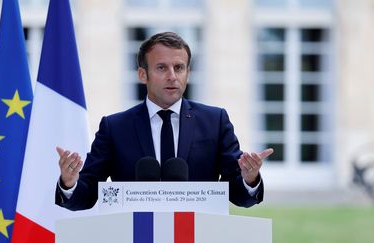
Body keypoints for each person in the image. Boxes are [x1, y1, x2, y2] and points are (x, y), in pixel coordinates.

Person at [55, 32, 273, 211]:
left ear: (188, 73)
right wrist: (70, 183)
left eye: (179, 68)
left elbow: (239, 194)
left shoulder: (215, 121)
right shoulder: (115, 127)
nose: (172, 76)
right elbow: (88, 192)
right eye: (162, 68)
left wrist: (249, 179)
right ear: (143, 74)